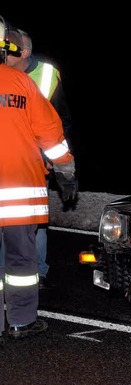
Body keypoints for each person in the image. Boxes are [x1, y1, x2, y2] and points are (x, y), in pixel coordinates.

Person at [0, 18, 78, 341]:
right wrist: (66, 171)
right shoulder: (20, 83)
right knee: (21, 261)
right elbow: (51, 133)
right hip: (18, 194)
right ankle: (21, 321)